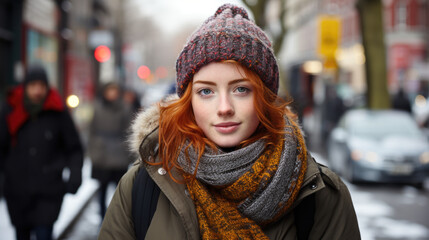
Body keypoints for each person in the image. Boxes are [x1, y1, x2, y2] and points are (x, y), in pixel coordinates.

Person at [98, 4, 361, 240]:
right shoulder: (143, 186)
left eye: (241, 89)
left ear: (265, 97)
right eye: (206, 91)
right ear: (189, 101)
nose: (224, 108)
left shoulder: (319, 196)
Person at [0, 64, 83, 240]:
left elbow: (74, 147)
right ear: (25, 87)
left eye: (41, 86)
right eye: (33, 86)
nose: (37, 91)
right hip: (17, 192)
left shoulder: (58, 111)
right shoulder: (10, 110)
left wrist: (75, 174)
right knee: (21, 235)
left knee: (44, 234)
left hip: (49, 190)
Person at [88, 82, 133, 220]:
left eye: (114, 90)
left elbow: (130, 131)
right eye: (109, 90)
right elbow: (91, 129)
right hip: (101, 155)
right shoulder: (97, 107)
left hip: (119, 156)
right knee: (102, 189)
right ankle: (102, 217)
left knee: (120, 191)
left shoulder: (125, 108)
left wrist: (128, 153)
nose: (112, 93)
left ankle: (117, 220)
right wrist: (93, 149)